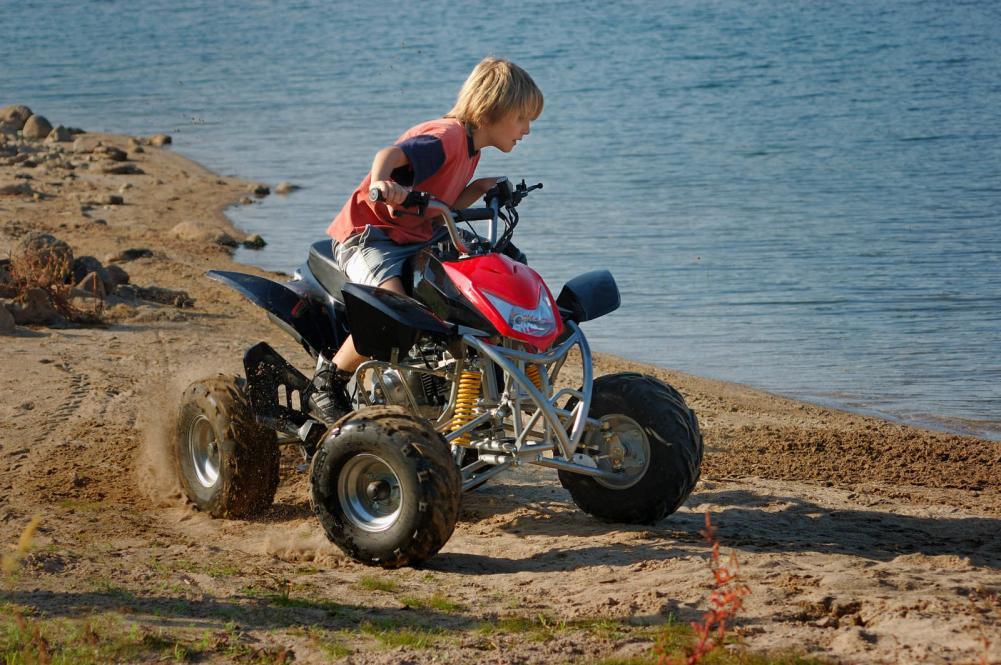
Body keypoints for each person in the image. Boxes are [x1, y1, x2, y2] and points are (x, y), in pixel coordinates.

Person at [308, 56, 544, 421]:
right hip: (372, 236)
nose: (527, 129)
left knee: (495, 269)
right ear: (492, 110)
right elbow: (389, 155)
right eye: (521, 118)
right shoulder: (447, 137)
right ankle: (328, 381)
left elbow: (443, 202)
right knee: (393, 310)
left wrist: (479, 189)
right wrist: (381, 184)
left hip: (418, 233)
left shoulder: (473, 148)